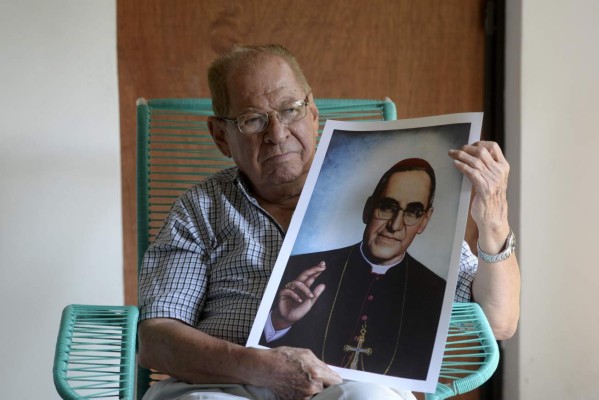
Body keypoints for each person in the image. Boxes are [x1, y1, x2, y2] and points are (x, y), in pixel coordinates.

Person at [137, 44, 521, 400]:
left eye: (290, 110)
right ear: (220, 136)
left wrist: (494, 220)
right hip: (224, 384)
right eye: (253, 120)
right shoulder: (201, 208)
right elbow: (156, 339)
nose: (277, 134)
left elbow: (499, 323)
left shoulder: (376, 201)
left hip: (347, 385)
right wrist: (260, 366)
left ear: (313, 113)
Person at [260, 158, 445, 380]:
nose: (395, 225)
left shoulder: (437, 293)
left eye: (413, 212)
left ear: (424, 220)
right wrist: (280, 321)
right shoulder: (300, 269)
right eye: (388, 207)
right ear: (369, 208)